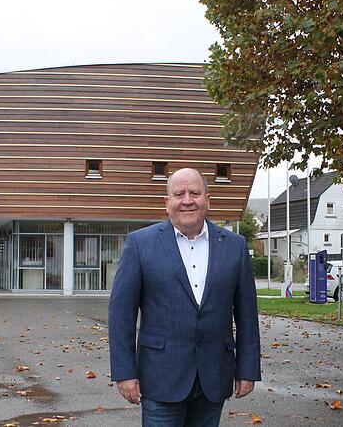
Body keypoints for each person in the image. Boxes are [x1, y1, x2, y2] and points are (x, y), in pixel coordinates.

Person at [108, 167, 261, 426]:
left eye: (195, 193)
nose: (187, 200)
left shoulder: (235, 246)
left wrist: (247, 369)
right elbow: (121, 314)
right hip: (159, 378)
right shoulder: (140, 244)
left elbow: (247, 315)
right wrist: (124, 373)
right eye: (179, 194)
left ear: (208, 200)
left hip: (214, 378)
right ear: (167, 202)